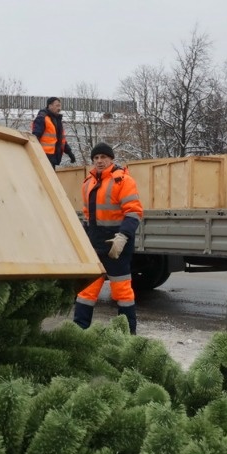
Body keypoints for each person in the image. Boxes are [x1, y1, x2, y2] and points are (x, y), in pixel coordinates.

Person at [73, 142, 143, 335]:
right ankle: (78, 334)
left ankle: (128, 337)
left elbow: (134, 212)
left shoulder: (123, 181)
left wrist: (123, 237)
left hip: (117, 245)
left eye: (103, 157)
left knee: (122, 292)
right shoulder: (88, 183)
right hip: (95, 244)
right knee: (86, 291)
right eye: (96, 158)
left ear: (111, 159)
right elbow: (88, 216)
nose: (99, 161)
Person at [31, 97, 76, 168]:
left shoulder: (57, 121)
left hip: (52, 157)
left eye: (60, 106)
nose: (59, 108)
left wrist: (69, 152)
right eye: (57, 105)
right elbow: (35, 137)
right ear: (50, 106)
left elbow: (61, 140)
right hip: (43, 156)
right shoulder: (42, 118)